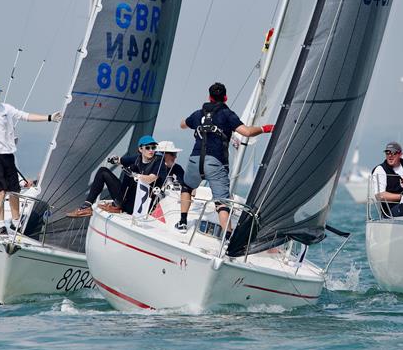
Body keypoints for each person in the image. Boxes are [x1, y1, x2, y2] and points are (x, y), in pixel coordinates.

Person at [181, 82, 273, 235]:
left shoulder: (198, 114)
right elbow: (247, 132)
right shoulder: (227, 114)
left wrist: (190, 123)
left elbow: (183, 124)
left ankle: (183, 222)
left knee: (187, 187)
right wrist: (265, 128)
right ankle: (227, 236)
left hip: (195, 159)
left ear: (209, 97)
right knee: (222, 201)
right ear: (225, 97)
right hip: (215, 162)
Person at [0, 81, 61, 236]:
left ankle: (15, 221)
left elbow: (25, 116)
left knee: (15, 190)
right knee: (1, 191)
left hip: (8, 155)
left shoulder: (6, 108)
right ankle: (1, 224)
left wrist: (49, 117)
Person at [67, 135, 165, 218]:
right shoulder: (137, 158)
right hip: (125, 200)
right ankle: (86, 207)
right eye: (148, 148)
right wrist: (115, 159)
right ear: (140, 149)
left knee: (132, 168)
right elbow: (121, 160)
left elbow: (150, 179)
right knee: (103, 171)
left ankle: (117, 205)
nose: (151, 150)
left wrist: (134, 175)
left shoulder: (158, 162)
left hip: (138, 206)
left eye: (153, 147)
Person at [155, 141, 194, 232]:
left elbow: (185, 183)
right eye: (173, 154)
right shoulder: (152, 166)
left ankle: (182, 221)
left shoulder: (177, 168)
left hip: (167, 202)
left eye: (175, 154)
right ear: (163, 155)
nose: (175, 157)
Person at [371, 141, 403, 217]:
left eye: (394, 153)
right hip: (391, 211)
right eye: (387, 153)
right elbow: (380, 195)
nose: (390, 155)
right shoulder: (380, 169)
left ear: (400, 154)